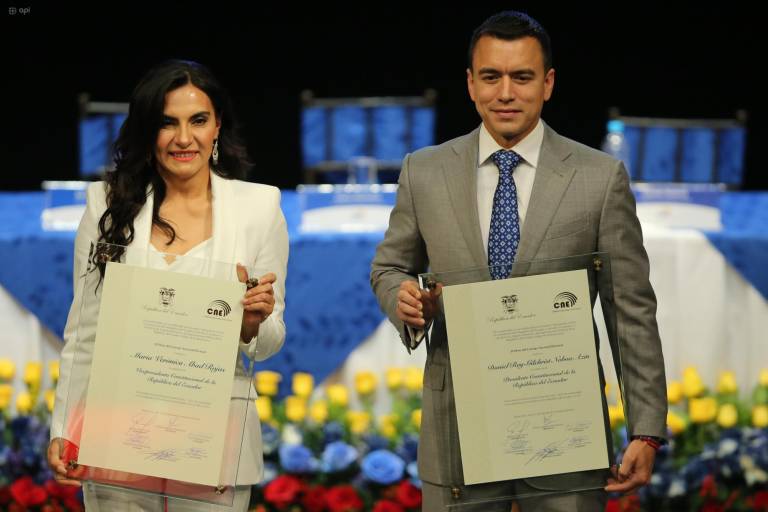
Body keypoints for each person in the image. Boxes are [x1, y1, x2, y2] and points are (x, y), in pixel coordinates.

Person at [371, 11, 667, 511]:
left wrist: (646, 428)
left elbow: (630, 310)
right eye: (491, 77)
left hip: (563, 426)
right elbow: (389, 268)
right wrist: (402, 298)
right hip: (458, 428)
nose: (505, 92)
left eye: (522, 77)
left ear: (547, 83)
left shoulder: (599, 178)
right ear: (470, 84)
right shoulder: (424, 172)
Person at [47, 60, 288, 511]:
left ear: (218, 125)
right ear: (146, 130)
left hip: (211, 446)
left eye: (198, 120)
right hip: (116, 440)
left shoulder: (260, 208)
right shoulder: (106, 204)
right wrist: (65, 426)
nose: (183, 138)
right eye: (167, 123)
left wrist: (252, 323)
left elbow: (268, 342)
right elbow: (84, 331)